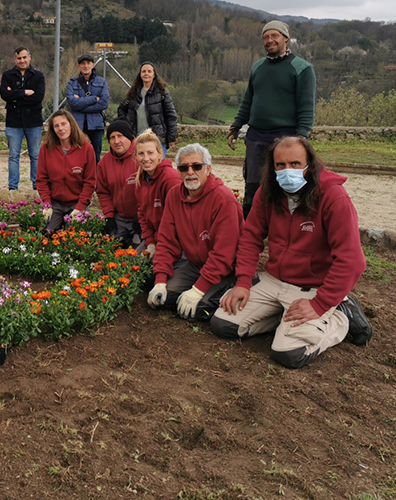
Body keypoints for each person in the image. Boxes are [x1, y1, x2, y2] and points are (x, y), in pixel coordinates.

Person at [211, 137, 372, 369]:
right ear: (272, 167)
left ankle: (341, 316)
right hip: (274, 280)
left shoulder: (333, 197)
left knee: (289, 353)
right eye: (281, 165)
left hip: (313, 287)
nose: (288, 170)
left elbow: (352, 260)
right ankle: (285, 317)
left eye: (295, 164)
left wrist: (320, 304)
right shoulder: (268, 192)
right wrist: (243, 282)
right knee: (223, 323)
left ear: (310, 165)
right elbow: (250, 237)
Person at [228, 20, 316, 218]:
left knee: (287, 188)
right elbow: (248, 100)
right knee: (253, 189)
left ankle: (287, 228)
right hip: (256, 137)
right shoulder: (258, 67)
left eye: (275, 35)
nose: (270, 40)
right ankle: (250, 230)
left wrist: (302, 137)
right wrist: (235, 126)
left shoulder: (302, 68)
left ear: (285, 38)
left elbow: (306, 107)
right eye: (266, 37)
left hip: (286, 137)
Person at [147, 143, 243, 321]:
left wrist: (198, 289)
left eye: (196, 166)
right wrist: (160, 280)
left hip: (226, 270)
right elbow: (166, 240)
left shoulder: (224, 200)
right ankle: (197, 289)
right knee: (165, 298)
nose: (190, 172)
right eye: (184, 168)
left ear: (208, 169)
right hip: (195, 265)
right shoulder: (174, 195)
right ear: (178, 171)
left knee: (199, 309)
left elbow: (224, 253)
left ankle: (228, 288)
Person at [37, 110, 97, 231]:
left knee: (74, 236)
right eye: (56, 126)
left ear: (71, 125)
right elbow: (41, 179)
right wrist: (47, 204)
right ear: (53, 129)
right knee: (47, 233)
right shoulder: (46, 148)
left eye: (64, 124)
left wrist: (80, 207)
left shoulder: (86, 148)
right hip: (55, 203)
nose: (61, 129)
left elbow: (90, 182)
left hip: (77, 202)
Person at [0, 46, 46, 191]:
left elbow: (38, 97)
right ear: (15, 59)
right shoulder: (7, 75)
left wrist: (14, 97)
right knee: (13, 156)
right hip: (13, 122)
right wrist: (24, 92)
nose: (22, 60)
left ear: (29, 58)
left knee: (35, 155)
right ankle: (13, 187)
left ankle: (37, 186)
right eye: (19, 58)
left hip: (34, 122)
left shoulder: (39, 76)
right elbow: (4, 95)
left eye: (24, 57)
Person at [134, 129, 181, 260]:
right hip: (154, 238)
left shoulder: (170, 179)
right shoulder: (141, 180)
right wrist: (150, 242)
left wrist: (157, 243)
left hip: (173, 241)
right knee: (131, 263)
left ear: (160, 153)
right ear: (136, 156)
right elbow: (142, 214)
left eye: (150, 153)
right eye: (141, 154)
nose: (146, 158)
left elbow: (177, 221)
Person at [95, 119, 140, 247]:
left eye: (120, 136)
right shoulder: (104, 163)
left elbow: (150, 190)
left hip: (140, 218)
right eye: (112, 137)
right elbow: (103, 192)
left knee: (139, 253)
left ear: (129, 137)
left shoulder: (141, 157)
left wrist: (141, 215)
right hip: (118, 217)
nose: (116, 141)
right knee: (111, 249)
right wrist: (109, 216)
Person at [118, 62, 178, 155]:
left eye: (149, 71)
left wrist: (171, 137)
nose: (146, 74)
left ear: (154, 75)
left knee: (157, 163)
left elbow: (171, 115)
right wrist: (127, 126)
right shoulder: (134, 92)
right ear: (140, 74)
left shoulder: (162, 92)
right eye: (144, 71)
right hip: (136, 139)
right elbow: (121, 109)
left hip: (157, 139)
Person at [66, 54, 110, 163]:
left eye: (88, 63)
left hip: (96, 126)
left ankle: (95, 175)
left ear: (92, 65)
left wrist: (81, 105)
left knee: (95, 157)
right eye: (83, 63)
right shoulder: (72, 83)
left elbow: (104, 103)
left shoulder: (102, 82)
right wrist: (94, 99)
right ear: (79, 66)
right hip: (77, 126)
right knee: (76, 156)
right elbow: (72, 103)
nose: (86, 66)